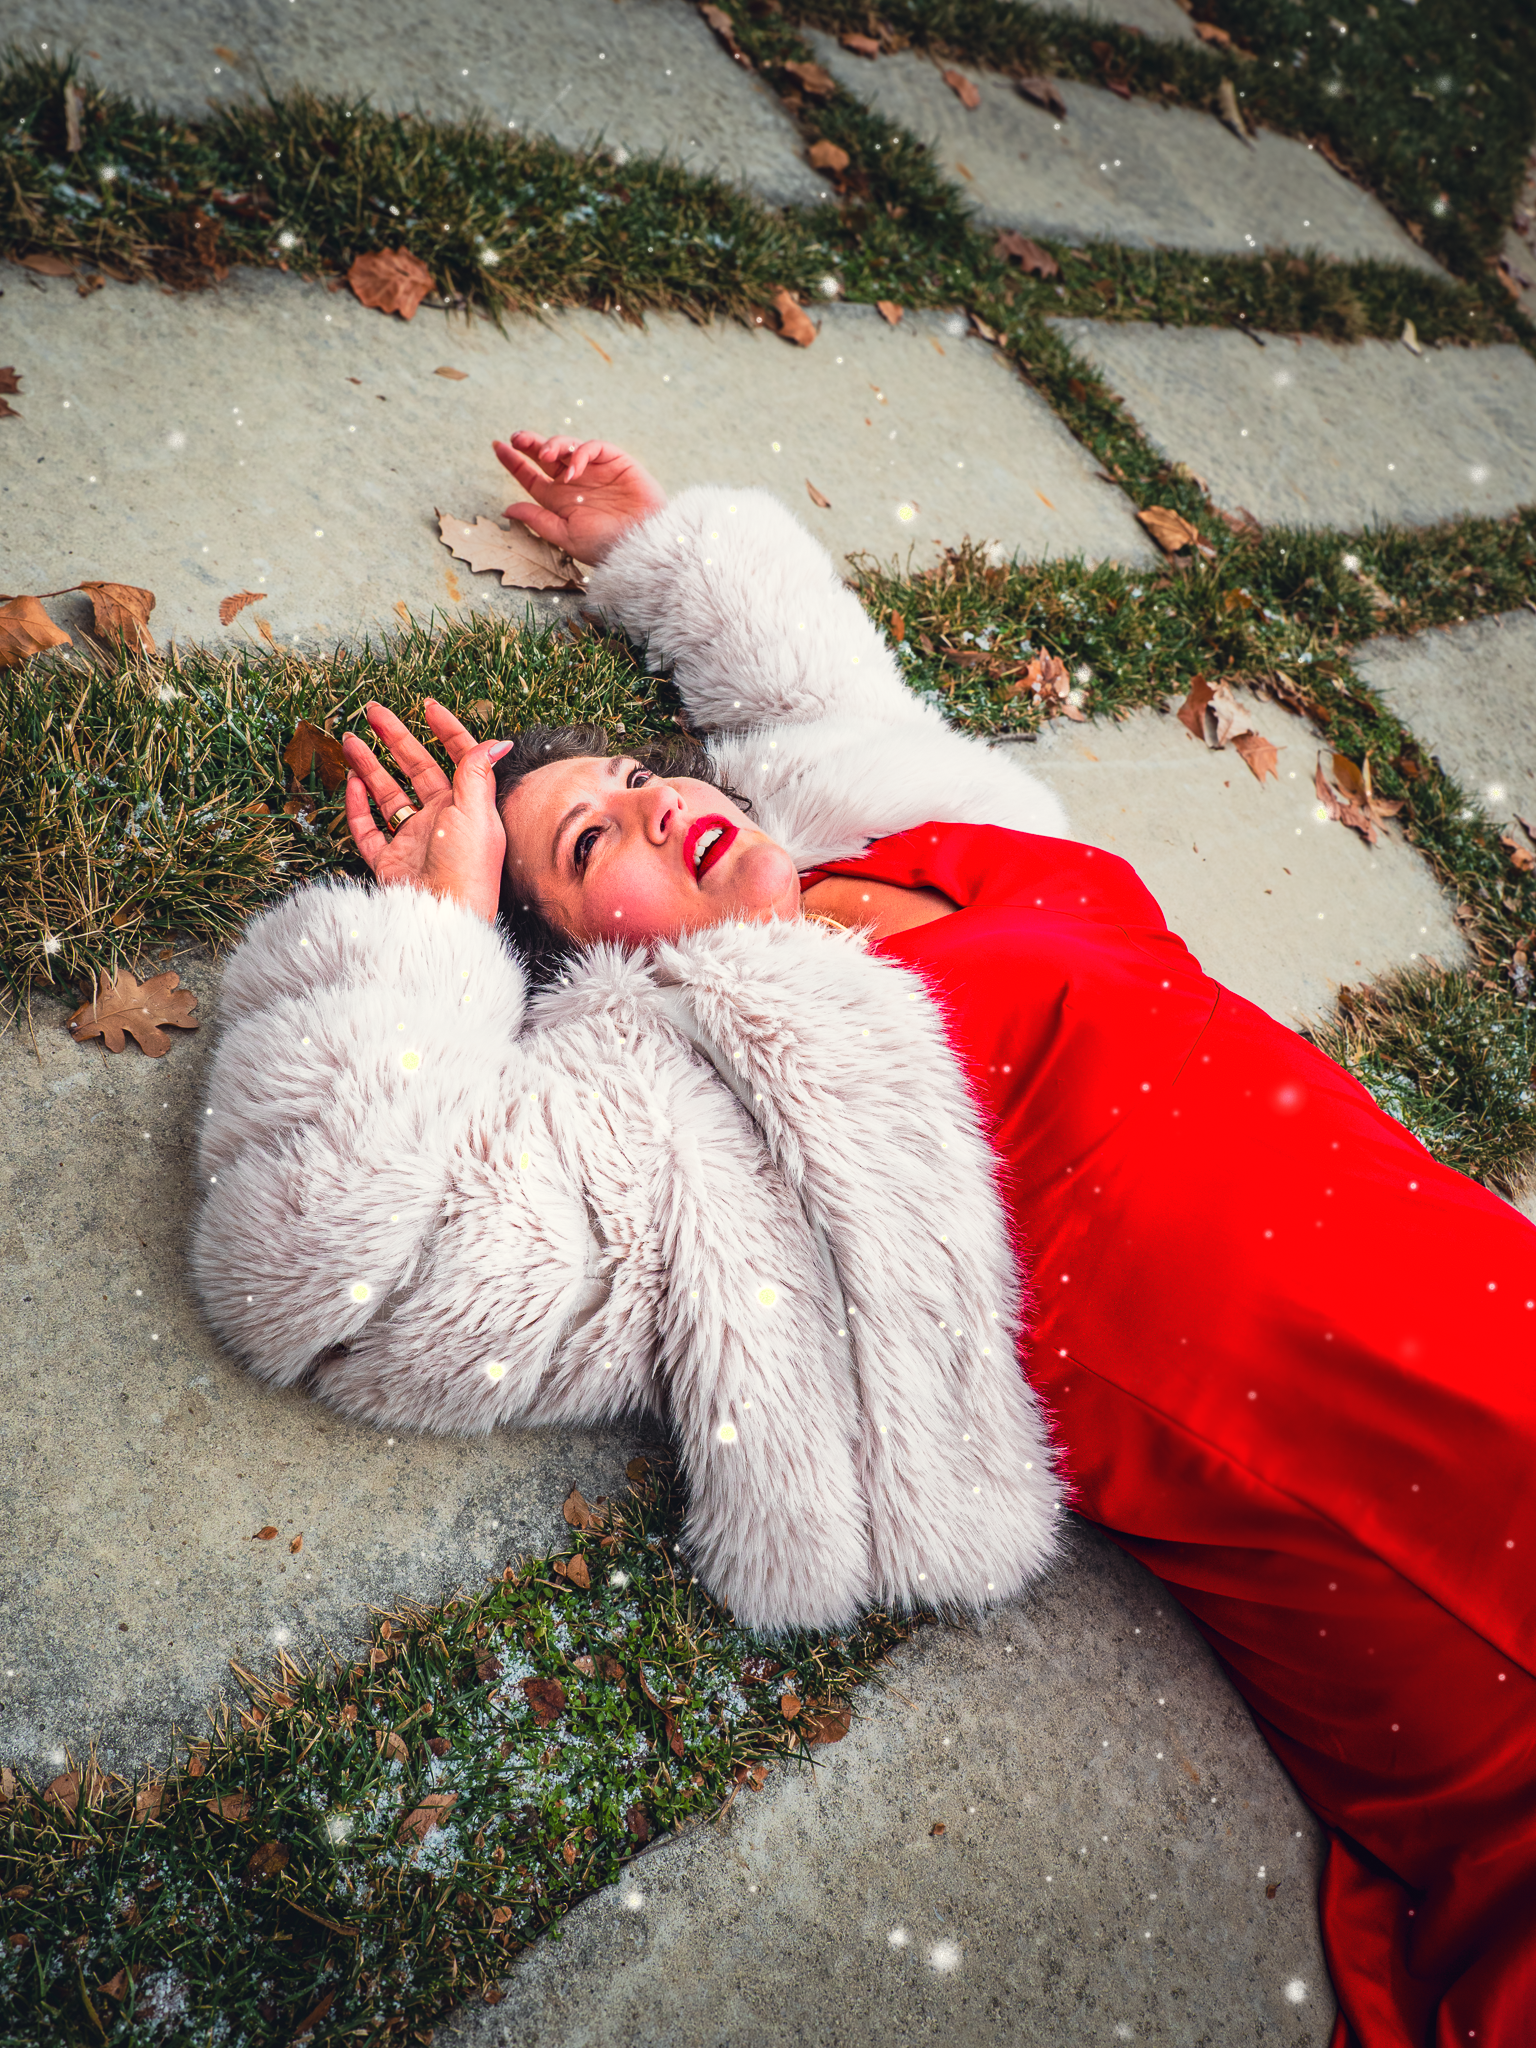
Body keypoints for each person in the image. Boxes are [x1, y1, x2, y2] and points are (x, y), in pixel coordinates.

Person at [196, 434, 1535, 2048]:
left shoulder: (873, 839)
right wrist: (421, 925)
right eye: (583, 852)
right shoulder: (688, 1116)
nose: (653, 809)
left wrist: (663, 548)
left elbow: (822, 701)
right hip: (1397, 1483)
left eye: (636, 778)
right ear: (561, 977)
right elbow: (331, 1273)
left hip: (1469, 1267)